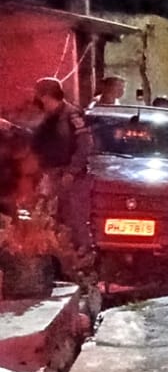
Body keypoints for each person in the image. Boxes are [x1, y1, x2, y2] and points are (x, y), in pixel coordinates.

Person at [29, 77, 91, 252]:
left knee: (75, 220)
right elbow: (36, 139)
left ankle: (82, 261)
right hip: (52, 174)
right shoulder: (49, 117)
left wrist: (71, 171)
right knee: (51, 220)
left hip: (71, 178)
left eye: (40, 96)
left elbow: (85, 144)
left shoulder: (72, 115)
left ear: (47, 96)